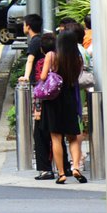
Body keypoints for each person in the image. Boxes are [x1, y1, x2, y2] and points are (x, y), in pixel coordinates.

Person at [38, 28, 86, 184]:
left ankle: (61, 173)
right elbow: (76, 77)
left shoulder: (52, 56)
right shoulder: (77, 59)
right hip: (70, 98)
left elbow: (44, 76)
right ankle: (76, 167)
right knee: (72, 137)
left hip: (53, 100)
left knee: (56, 138)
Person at [21, 15, 65, 181]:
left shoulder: (36, 44)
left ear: (28, 26)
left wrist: (26, 76)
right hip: (55, 95)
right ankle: (63, 167)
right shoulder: (60, 55)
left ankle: (46, 169)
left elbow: (31, 61)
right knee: (55, 132)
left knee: (41, 130)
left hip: (42, 93)